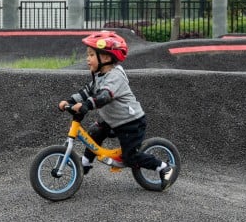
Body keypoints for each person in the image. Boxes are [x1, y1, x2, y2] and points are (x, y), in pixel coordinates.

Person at [57, 30, 175, 189]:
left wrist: (86, 105)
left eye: (91, 55)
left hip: (131, 122)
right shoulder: (99, 75)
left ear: (105, 57)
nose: (87, 59)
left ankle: (164, 168)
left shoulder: (115, 76)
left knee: (130, 157)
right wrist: (70, 100)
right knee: (94, 132)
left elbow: (105, 96)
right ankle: (84, 164)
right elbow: (87, 91)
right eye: (88, 55)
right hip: (112, 121)